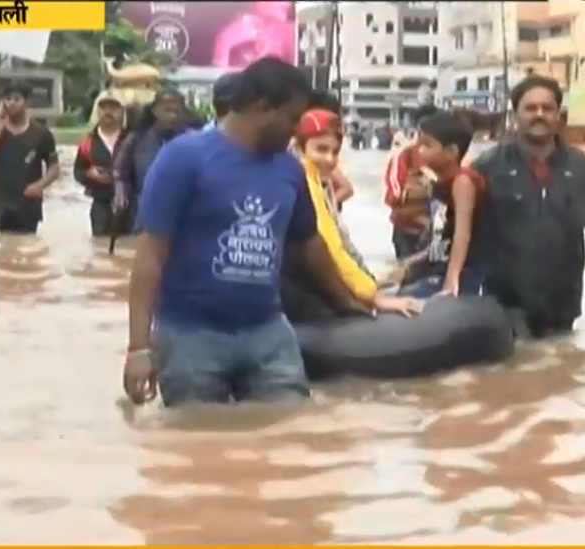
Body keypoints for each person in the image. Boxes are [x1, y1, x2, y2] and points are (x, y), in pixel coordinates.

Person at [123, 57, 369, 407]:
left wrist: (347, 302)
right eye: (292, 118)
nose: (296, 130)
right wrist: (138, 348)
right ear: (261, 107)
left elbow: (308, 245)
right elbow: (149, 257)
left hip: (267, 331)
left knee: (293, 429)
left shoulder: (289, 170)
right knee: (193, 443)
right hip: (190, 334)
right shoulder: (182, 159)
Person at [468, 75, 585, 338]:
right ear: (515, 114)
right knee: (517, 371)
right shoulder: (486, 168)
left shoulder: (583, 168)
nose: (540, 114)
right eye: (531, 108)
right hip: (504, 303)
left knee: (560, 369)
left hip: (562, 305)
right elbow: (461, 225)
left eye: (547, 108)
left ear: (558, 114)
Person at [282, 108, 420, 322]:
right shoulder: (305, 184)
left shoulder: (314, 181)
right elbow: (330, 246)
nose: (330, 159)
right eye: (321, 149)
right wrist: (373, 296)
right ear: (300, 148)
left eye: (335, 151)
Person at [395, 111, 485, 298]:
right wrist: (410, 262)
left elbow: (462, 233)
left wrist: (452, 280)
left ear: (451, 152)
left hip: (465, 272)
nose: (419, 150)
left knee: (407, 298)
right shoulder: (439, 183)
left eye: (427, 145)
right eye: (419, 143)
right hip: (440, 266)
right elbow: (442, 239)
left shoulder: (462, 181)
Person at [0, 81, 60, 234]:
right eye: (7, 99)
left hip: (27, 206)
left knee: (26, 252)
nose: (11, 103)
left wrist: (40, 185)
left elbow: (54, 167)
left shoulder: (41, 134)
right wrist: (0, 125)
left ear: (27, 103)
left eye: (17, 99)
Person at [112, 89, 189, 225]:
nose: (172, 116)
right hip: (145, 210)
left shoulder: (193, 140)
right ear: (154, 110)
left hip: (183, 211)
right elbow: (119, 172)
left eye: (176, 111)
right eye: (167, 110)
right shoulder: (136, 139)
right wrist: (121, 193)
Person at [383, 104, 440, 259]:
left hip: (430, 229)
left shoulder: (442, 156)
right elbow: (392, 195)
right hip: (407, 226)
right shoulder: (404, 155)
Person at [74, 91, 128, 237]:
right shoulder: (87, 143)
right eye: (104, 108)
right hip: (100, 205)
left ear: (123, 112)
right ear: (97, 111)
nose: (108, 112)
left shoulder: (132, 140)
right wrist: (89, 174)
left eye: (113, 108)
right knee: (100, 249)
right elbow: (78, 172)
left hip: (129, 206)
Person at [212, 1, 296, 69]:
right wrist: (224, 44)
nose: (286, 4)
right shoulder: (230, 29)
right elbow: (217, 82)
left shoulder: (287, 32)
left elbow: (294, 77)